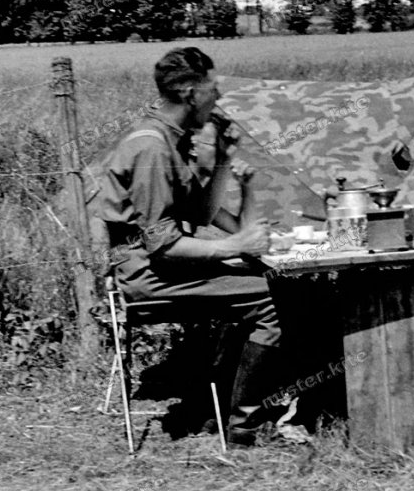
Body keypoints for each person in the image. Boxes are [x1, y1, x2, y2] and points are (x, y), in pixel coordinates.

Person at [96, 46, 299, 446]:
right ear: (191, 93)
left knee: (267, 282)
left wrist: (223, 159)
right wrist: (235, 245)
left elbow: (201, 213)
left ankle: (216, 409)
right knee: (271, 300)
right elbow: (163, 246)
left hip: (163, 268)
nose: (218, 97)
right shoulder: (152, 148)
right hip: (147, 277)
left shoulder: (167, 139)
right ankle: (242, 427)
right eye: (213, 89)